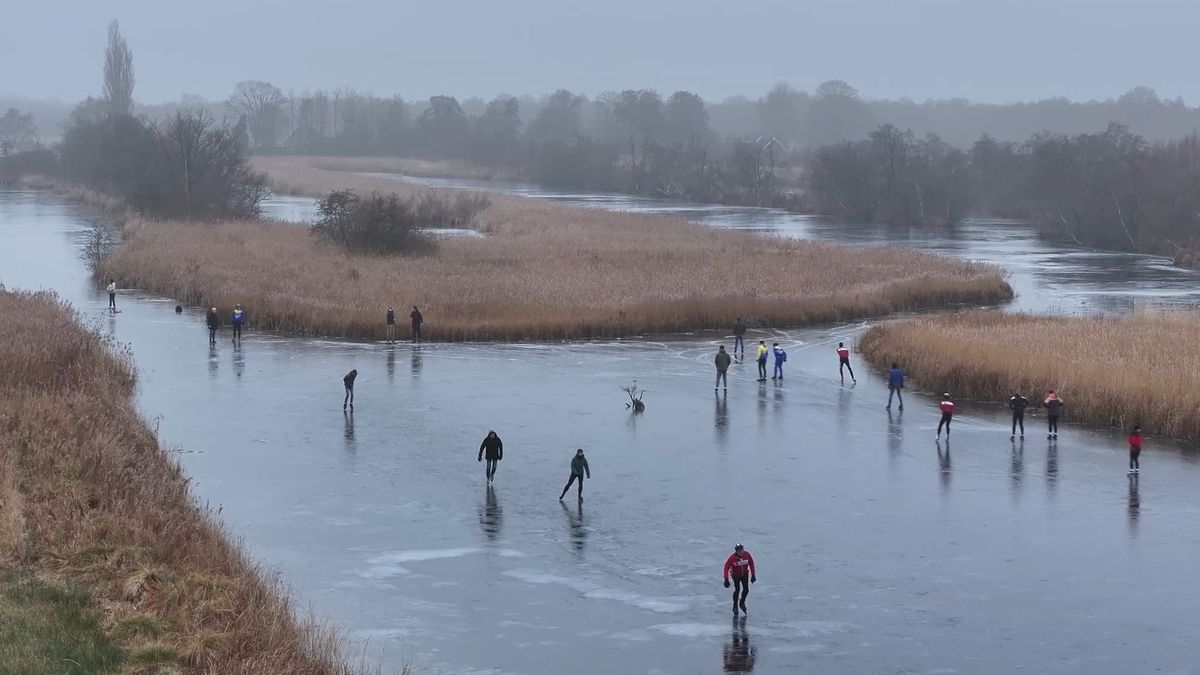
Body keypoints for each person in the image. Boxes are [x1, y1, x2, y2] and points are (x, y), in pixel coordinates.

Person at [722, 544, 757, 616]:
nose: (741, 552)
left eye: (742, 550)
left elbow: (751, 563)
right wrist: (726, 578)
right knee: (737, 590)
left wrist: (753, 574)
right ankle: (735, 606)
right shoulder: (732, 558)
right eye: (739, 550)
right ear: (736, 551)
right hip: (736, 576)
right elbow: (726, 567)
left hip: (744, 575)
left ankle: (742, 602)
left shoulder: (747, 555)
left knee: (746, 589)